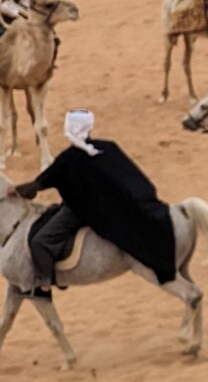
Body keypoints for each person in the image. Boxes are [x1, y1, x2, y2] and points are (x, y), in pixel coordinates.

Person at [10, 111, 180, 295]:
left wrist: (15, 190)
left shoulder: (69, 158)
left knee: (40, 241)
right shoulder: (108, 148)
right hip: (108, 209)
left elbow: (37, 186)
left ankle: (44, 281)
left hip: (79, 212)